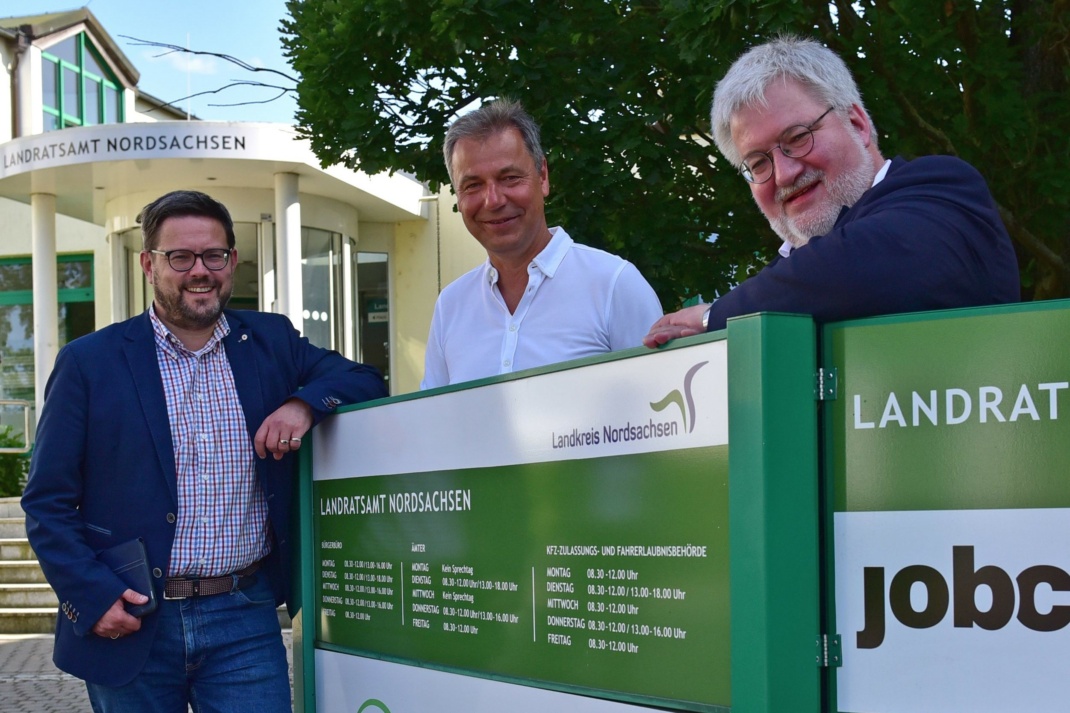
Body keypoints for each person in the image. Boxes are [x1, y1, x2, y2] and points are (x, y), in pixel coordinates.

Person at [21, 190, 387, 711]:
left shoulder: (270, 341)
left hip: (244, 614)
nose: (200, 270)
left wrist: (302, 406)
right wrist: (90, 596)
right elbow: (47, 502)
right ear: (149, 264)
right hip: (133, 614)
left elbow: (362, 379)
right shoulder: (89, 362)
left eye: (214, 255)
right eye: (180, 257)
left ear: (232, 261)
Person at [644, 35, 1019, 345]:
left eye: (798, 137)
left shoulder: (943, 193)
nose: (785, 173)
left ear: (856, 124)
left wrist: (714, 316)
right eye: (758, 163)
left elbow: (868, 263)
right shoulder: (785, 281)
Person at [421, 99, 663, 388]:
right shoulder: (451, 307)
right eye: (473, 185)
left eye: (509, 178)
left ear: (543, 176)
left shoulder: (614, 285)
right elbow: (435, 426)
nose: (494, 200)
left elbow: (662, 411)